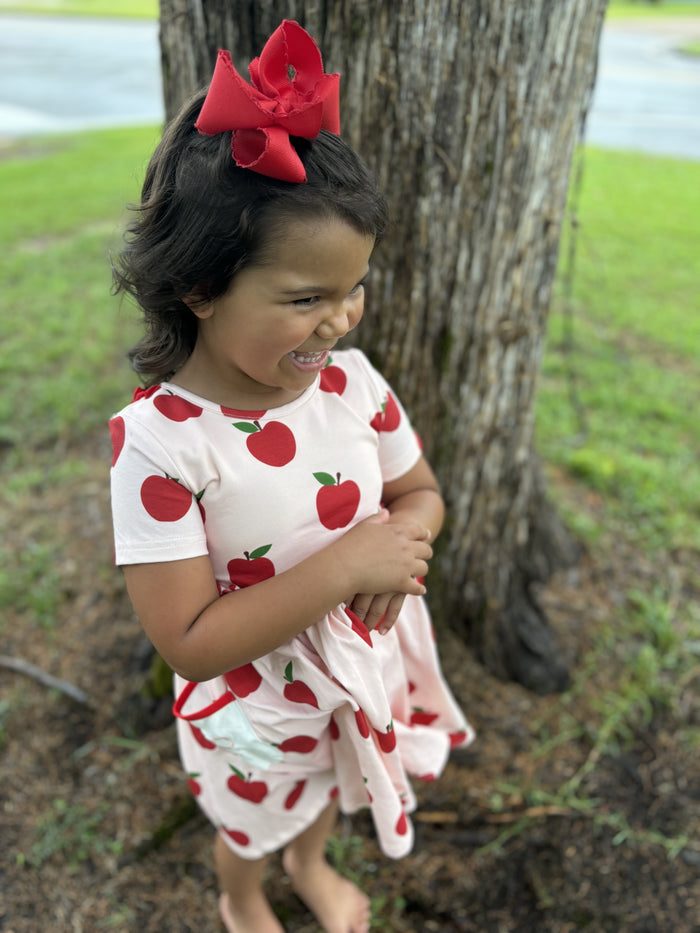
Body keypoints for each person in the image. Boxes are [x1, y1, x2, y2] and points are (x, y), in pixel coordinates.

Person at [109, 20, 473, 933]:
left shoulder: (351, 383)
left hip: (357, 668)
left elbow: (420, 492)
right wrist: (350, 565)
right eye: (306, 298)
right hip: (254, 703)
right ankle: (242, 894)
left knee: (320, 786)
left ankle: (308, 865)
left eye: (353, 288)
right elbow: (189, 641)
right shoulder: (161, 445)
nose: (339, 321)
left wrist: (402, 548)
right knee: (251, 811)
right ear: (197, 286)